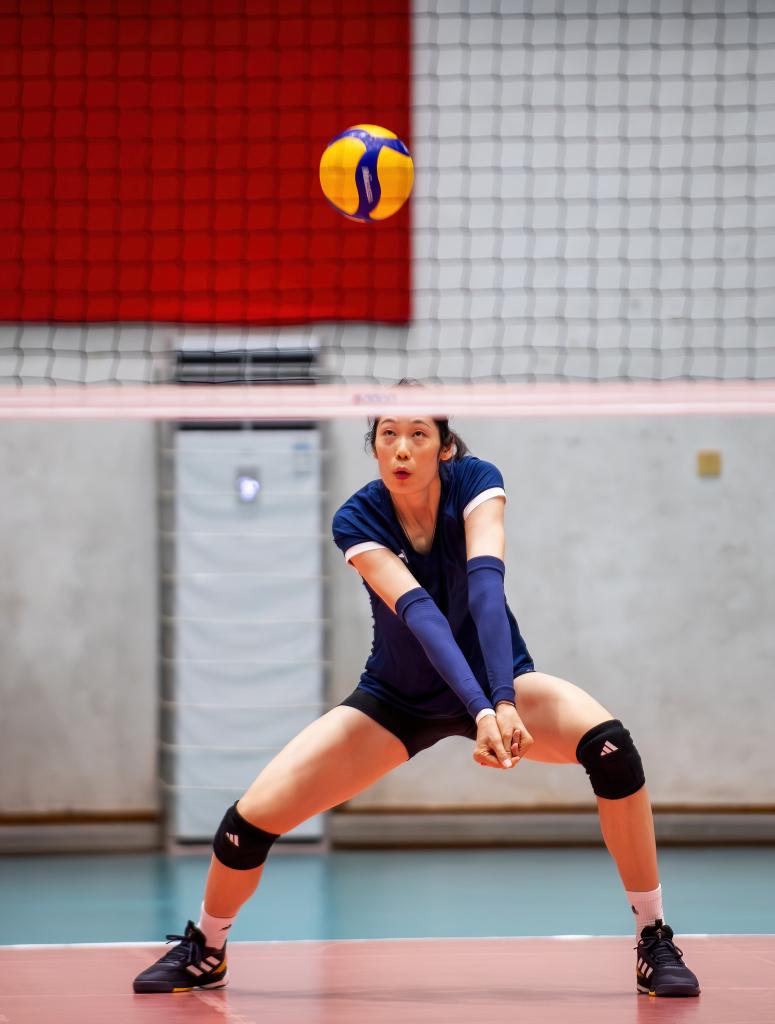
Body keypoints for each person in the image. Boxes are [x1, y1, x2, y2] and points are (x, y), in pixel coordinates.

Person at [133, 408, 700, 998]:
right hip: (398, 699)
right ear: (375, 448)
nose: (402, 448)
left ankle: (652, 936)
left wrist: (502, 698)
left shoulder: (476, 482)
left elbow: (486, 588)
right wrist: (482, 712)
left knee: (613, 751)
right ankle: (208, 947)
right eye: (388, 436)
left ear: (444, 447)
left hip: (499, 681)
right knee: (247, 823)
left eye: (418, 435)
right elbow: (421, 615)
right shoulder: (357, 517)